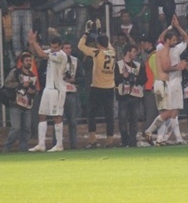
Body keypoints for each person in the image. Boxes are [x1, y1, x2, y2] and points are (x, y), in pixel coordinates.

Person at [142, 24, 188, 145]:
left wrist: (173, 26)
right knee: (168, 113)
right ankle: (149, 131)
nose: (175, 42)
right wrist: (178, 66)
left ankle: (159, 139)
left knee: (166, 112)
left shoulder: (164, 49)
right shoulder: (163, 50)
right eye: (173, 40)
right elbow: (165, 67)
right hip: (162, 83)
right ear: (167, 40)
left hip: (164, 83)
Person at [78, 19, 117, 148]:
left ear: (98, 44)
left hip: (97, 87)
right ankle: (109, 141)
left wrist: (86, 33)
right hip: (109, 88)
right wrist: (100, 31)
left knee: (91, 114)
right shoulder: (112, 52)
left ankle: (92, 140)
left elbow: (80, 46)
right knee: (109, 115)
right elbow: (108, 43)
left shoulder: (97, 52)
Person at [27, 32, 68, 152]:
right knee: (42, 115)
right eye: (52, 47)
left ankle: (59, 145)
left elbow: (41, 54)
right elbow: (36, 53)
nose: (53, 49)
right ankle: (41, 144)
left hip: (57, 89)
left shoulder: (61, 55)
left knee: (57, 116)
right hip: (48, 88)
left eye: (56, 47)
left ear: (60, 47)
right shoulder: (51, 51)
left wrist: (34, 42)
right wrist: (31, 43)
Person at [3, 52, 38, 152]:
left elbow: (35, 90)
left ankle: (23, 149)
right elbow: (7, 83)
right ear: (22, 62)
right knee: (16, 128)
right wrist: (20, 84)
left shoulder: (32, 75)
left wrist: (33, 91)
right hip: (15, 103)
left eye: (30, 61)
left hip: (27, 104)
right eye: (27, 61)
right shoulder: (15, 72)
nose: (29, 62)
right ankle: (7, 147)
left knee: (26, 129)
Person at [115, 43, 147, 147]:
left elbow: (144, 79)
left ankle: (132, 142)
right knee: (122, 120)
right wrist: (123, 76)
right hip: (123, 96)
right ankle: (125, 141)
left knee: (134, 121)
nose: (135, 54)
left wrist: (135, 78)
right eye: (133, 52)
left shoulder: (138, 65)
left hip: (135, 96)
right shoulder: (118, 64)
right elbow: (114, 79)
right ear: (128, 52)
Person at [61, 41, 83, 149]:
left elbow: (81, 77)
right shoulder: (56, 60)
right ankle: (57, 144)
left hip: (71, 93)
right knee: (59, 120)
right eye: (66, 48)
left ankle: (73, 145)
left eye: (69, 48)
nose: (68, 50)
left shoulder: (75, 60)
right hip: (59, 93)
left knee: (73, 121)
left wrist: (74, 80)